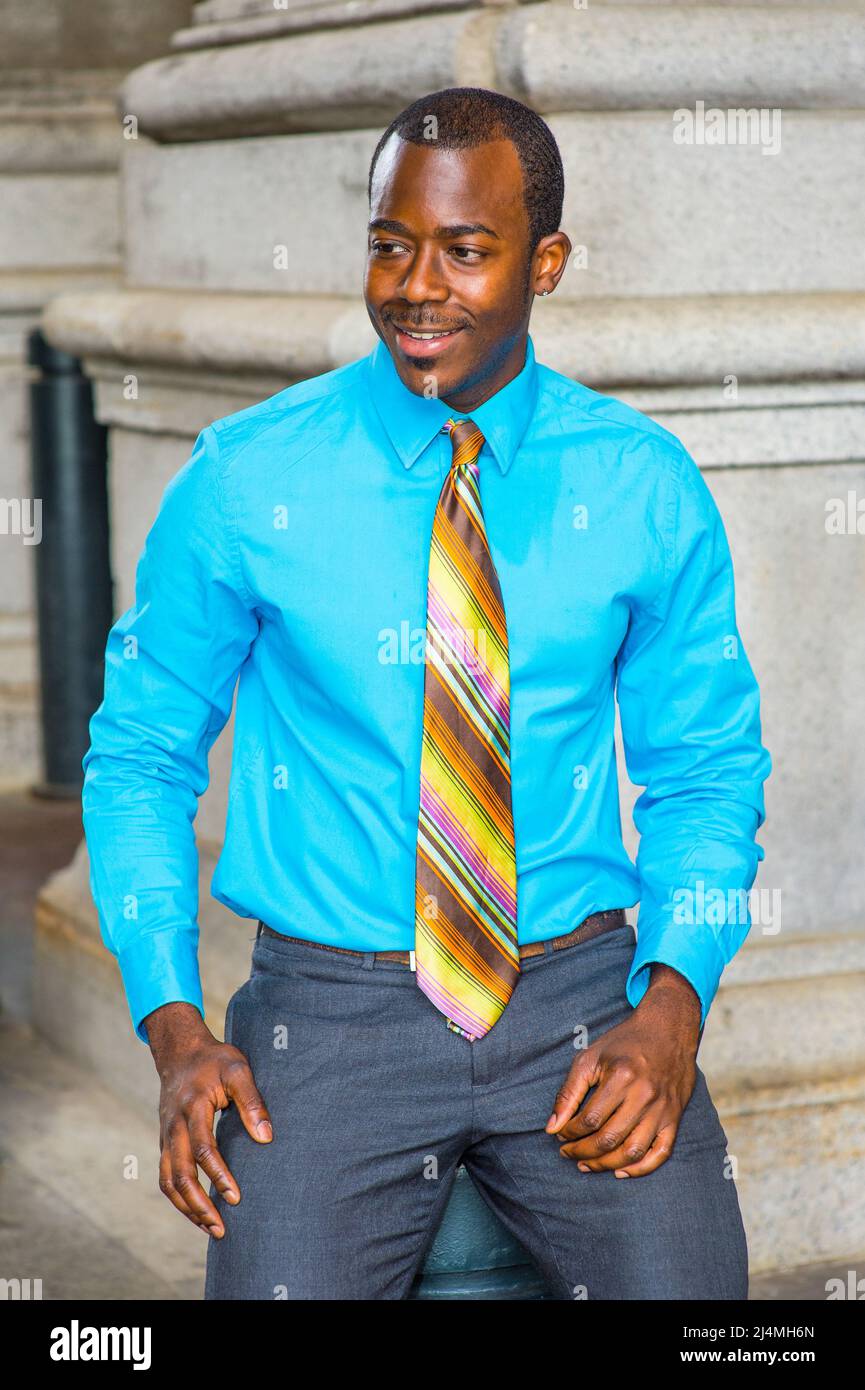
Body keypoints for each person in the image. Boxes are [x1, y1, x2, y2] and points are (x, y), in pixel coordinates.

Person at [82, 87, 771, 1300]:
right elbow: (140, 752)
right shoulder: (249, 478)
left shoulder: (640, 486)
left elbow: (705, 771)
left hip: (575, 995)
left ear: (544, 263)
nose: (415, 285)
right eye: (390, 243)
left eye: (465, 250)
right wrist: (176, 1026)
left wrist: (672, 1007)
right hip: (327, 1008)